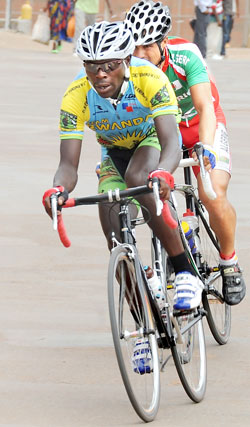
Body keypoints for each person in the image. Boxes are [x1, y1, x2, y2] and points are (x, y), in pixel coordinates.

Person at [43, 21, 206, 323]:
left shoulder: (150, 78)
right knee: (113, 227)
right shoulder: (76, 95)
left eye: (110, 65)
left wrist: (164, 174)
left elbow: (172, 140)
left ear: (127, 61)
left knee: (139, 178)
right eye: (92, 66)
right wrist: (58, 190)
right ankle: (143, 322)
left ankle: (185, 272)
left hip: (151, 141)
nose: (100, 73)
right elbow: (68, 165)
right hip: (114, 153)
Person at [124, 0, 245, 306]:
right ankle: (176, 244)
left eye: (146, 47)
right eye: (134, 48)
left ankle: (229, 261)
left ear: (164, 41)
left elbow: (205, 106)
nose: (139, 55)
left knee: (212, 195)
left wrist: (204, 146)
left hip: (202, 126)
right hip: (166, 135)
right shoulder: (129, 67)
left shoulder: (185, 54)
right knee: (150, 188)